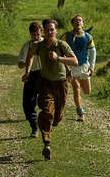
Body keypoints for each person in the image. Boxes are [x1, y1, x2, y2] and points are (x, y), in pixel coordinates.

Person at [22, 19, 77, 160]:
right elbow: (29, 56)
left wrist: (58, 58)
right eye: (47, 30)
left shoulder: (61, 45)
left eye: (52, 29)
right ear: (43, 32)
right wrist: (27, 72)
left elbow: (75, 61)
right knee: (47, 111)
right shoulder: (38, 46)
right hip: (45, 82)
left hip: (61, 83)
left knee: (57, 116)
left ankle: (48, 129)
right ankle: (47, 144)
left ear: (56, 31)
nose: (49, 32)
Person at [61, 14, 96, 122]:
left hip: (84, 66)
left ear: (83, 23)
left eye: (80, 20)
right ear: (72, 23)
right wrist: (64, 65)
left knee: (87, 91)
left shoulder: (88, 37)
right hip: (72, 67)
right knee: (76, 89)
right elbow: (59, 47)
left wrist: (91, 66)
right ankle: (80, 112)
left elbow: (92, 52)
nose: (78, 22)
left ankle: (79, 101)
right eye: (75, 21)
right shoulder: (67, 35)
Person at [17, 21, 43, 138]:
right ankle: (34, 127)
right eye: (34, 35)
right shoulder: (26, 46)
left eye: (38, 35)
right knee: (27, 104)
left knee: (46, 102)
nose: (36, 37)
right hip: (31, 75)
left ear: (41, 33)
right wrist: (23, 64)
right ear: (30, 34)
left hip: (44, 75)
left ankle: (46, 126)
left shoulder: (46, 43)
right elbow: (20, 63)